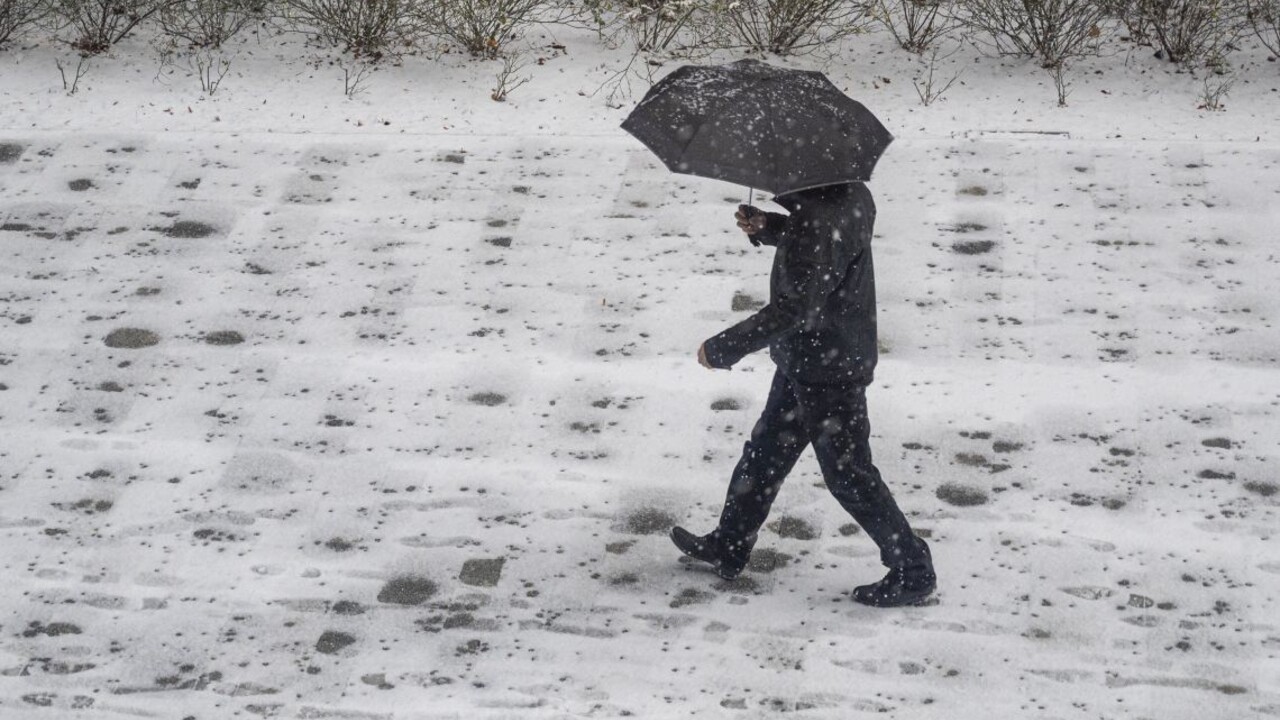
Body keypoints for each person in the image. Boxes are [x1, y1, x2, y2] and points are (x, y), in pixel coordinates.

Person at [671, 182, 937, 608]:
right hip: (813, 356)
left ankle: (913, 569)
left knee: (849, 475)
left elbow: (794, 308)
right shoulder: (846, 196)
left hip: (828, 370)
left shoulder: (819, 219)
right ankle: (729, 544)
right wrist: (770, 226)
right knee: (765, 454)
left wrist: (723, 348)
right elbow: (824, 251)